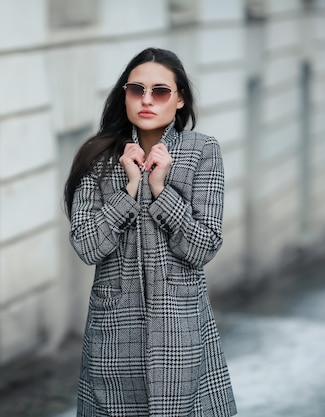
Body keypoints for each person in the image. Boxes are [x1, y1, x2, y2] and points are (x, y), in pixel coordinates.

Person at [64, 47, 237, 416]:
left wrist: (161, 189)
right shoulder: (98, 157)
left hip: (180, 330)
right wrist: (128, 191)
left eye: (160, 91)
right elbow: (87, 247)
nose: (146, 100)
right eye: (135, 90)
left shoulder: (201, 151)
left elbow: (203, 247)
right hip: (114, 333)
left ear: (179, 100)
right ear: (123, 95)